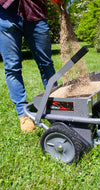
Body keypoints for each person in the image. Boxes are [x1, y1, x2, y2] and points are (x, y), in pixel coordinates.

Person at [0, 0, 57, 132]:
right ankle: (23, 114)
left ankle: (55, 105)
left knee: (46, 63)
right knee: (12, 67)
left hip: (35, 10)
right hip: (5, 13)